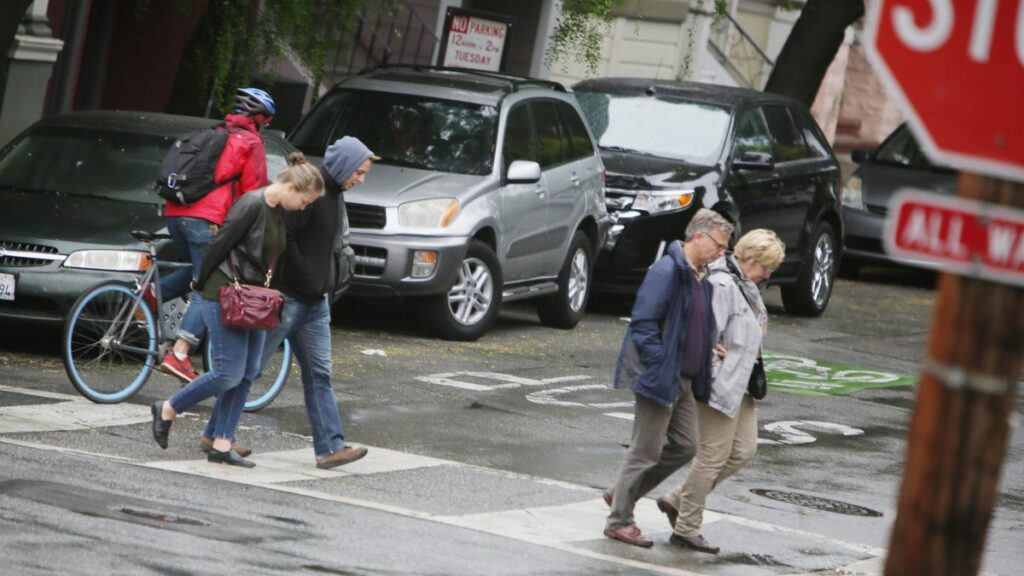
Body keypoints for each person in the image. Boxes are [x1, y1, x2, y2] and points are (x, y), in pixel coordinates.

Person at [202, 136, 377, 469]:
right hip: (287, 300)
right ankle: (215, 434)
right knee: (248, 370)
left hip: (315, 304)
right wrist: (307, 283)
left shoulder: (334, 194)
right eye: (359, 172)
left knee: (320, 375)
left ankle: (330, 448)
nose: (360, 179)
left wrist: (324, 286)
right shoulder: (311, 192)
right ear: (343, 166)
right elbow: (287, 243)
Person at [150, 153, 324, 467]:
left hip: (254, 300)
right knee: (227, 372)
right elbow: (218, 246)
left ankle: (222, 442)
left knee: (247, 373)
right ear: (293, 188)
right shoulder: (252, 204)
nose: (305, 207)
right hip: (225, 294)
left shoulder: (277, 211)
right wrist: (201, 285)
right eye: (306, 200)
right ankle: (168, 407)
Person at [602, 208, 734, 548]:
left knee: (686, 446)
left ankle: (620, 495)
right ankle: (619, 519)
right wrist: (661, 365)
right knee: (644, 451)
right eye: (719, 245)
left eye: (725, 248)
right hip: (662, 377)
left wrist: (708, 345)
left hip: (687, 379)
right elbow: (643, 324)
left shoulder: (701, 276)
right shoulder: (667, 271)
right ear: (699, 236)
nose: (722, 253)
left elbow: (692, 324)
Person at [665, 229, 784, 554]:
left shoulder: (746, 285)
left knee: (744, 450)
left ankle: (677, 499)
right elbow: (705, 337)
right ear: (748, 259)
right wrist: (713, 377)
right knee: (712, 457)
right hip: (720, 384)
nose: (768, 274)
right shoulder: (722, 284)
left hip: (742, 382)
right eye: (766, 267)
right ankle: (687, 527)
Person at [154, 87, 276, 384]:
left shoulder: (213, 133)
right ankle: (180, 353)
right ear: (260, 118)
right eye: (268, 120)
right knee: (207, 282)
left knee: (201, 270)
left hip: (175, 214)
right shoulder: (250, 142)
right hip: (206, 221)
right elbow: (254, 192)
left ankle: (149, 295)